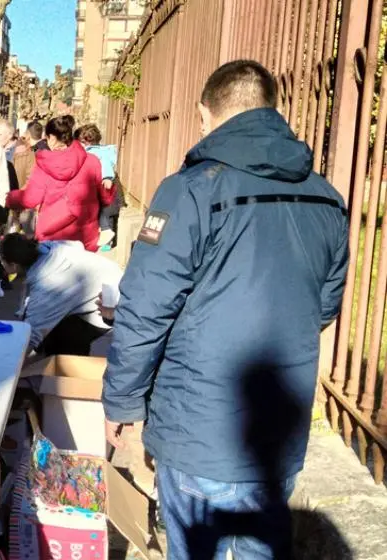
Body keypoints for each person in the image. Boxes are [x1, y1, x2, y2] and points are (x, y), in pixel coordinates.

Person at [102, 60, 349, 560]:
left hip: (200, 428)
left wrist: (123, 401)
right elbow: (323, 304)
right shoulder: (328, 200)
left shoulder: (192, 190)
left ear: (204, 114)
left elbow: (145, 308)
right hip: (278, 434)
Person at [0, 233, 120, 356]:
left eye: (2, 261)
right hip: (105, 282)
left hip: (108, 305)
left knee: (63, 343)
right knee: (49, 333)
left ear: (14, 265)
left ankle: (68, 370)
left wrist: (7, 369)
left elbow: (32, 335)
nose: (1, 264)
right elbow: (77, 245)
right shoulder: (46, 248)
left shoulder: (49, 283)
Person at [5, 115, 102, 251]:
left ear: (51, 137)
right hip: (86, 237)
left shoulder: (44, 165)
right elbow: (104, 196)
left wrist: (10, 198)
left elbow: (31, 199)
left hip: (54, 237)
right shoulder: (93, 161)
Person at [76, 124, 120, 250]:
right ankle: (105, 235)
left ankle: (107, 237)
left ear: (87, 141)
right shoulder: (99, 150)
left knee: (103, 213)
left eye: (82, 142)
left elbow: (105, 164)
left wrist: (107, 177)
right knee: (102, 213)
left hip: (100, 186)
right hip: (95, 186)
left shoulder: (96, 152)